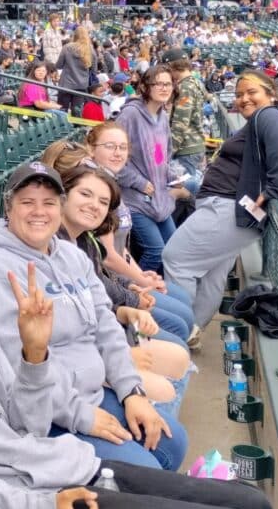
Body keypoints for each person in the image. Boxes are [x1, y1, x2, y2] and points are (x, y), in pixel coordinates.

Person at [0, 197, 274, 509]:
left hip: (61, 468)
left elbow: (28, 424)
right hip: (15, 502)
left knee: (252, 504)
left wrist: (34, 355)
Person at [0, 162, 187, 471]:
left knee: (173, 441)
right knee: (146, 469)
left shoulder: (70, 254)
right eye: (27, 202)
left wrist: (131, 391)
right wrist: (79, 414)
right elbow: (12, 365)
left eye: (49, 203)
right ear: (9, 207)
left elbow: (106, 326)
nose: (39, 211)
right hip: (46, 414)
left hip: (94, 391)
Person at [164, 70, 278, 328]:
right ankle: (191, 330)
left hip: (228, 208)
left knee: (176, 259)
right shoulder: (262, 119)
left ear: (271, 94)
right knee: (212, 276)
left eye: (252, 92)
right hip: (229, 208)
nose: (244, 99)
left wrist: (271, 191)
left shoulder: (269, 115)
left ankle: (179, 330)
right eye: (240, 94)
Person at [55, 162, 191, 411]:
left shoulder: (84, 240)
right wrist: (120, 356)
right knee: (164, 387)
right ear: (63, 196)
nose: (94, 205)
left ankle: (156, 421)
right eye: (85, 194)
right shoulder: (52, 248)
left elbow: (100, 295)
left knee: (179, 356)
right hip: (80, 363)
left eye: (103, 202)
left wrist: (128, 302)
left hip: (108, 336)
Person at [84, 124, 196, 345]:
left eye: (122, 147)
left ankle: (156, 360)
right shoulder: (95, 185)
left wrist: (143, 277)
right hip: (112, 291)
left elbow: (121, 248)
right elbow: (108, 256)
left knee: (183, 305)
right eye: (110, 146)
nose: (117, 153)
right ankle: (150, 362)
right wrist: (141, 282)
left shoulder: (112, 183)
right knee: (178, 328)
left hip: (123, 283)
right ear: (91, 149)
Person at [115, 65, 178, 274]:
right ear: (146, 86)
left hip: (159, 197)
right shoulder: (130, 115)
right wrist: (139, 183)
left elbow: (161, 154)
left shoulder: (162, 116)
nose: (164, 88)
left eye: (168, 83)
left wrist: (170, 174)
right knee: (157, 251)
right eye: (158, 83)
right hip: (134, 199)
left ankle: (157, 295)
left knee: (173, 248)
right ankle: (133, 290)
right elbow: (114, 158)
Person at [164, 48, 209, 199]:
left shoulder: (185, 87)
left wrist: (169, 152)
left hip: (186, 149)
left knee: (185, 193)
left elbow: (180, 123)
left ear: (172, 66)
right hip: (193, 146)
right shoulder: (195, 82)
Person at [56, 26, 94, 116]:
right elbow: (93, 68)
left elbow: (59, 65)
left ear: (75, 35)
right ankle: (76, 129)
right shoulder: (90, 49)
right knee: (77, 112)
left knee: (62, 110)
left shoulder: (67, 47)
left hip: (66, 84)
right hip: (81, 85)